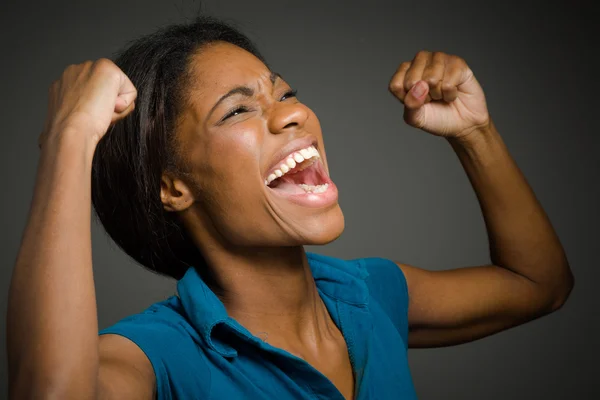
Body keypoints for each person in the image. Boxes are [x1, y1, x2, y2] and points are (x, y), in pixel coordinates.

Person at [6, 15, 574, 400]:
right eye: (236, 112)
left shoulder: (369, 294)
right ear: (174, 187)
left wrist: (475, 132)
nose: (293, 114)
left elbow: (540, 283)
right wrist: (71, 137)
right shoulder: (156, 357)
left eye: (285, 93)